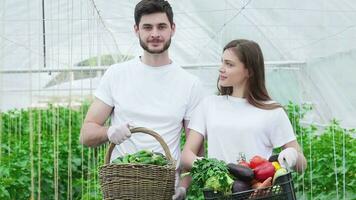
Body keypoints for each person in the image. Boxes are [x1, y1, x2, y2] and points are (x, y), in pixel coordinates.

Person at [79, 0, 204, 197]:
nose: (155, 34)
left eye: (161, 26)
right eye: (147, 27)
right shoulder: (116, 74)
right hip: (122, 187)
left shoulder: (190, 83)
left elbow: (195, 148)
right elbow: (86, 134)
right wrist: (109, 132)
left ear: (173, 29)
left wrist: (183, 188)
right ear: (136, 30)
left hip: (164, 189)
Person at [178, 39, 307, 198]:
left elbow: (302, 164)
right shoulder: (209, 105)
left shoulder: (272, 111)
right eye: (222, 62)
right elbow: (187, 156)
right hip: (219, 194)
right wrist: (216, 170)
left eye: (229, 64)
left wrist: (292, 156)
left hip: (259, 193)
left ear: (249, 71)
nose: (221, 69)